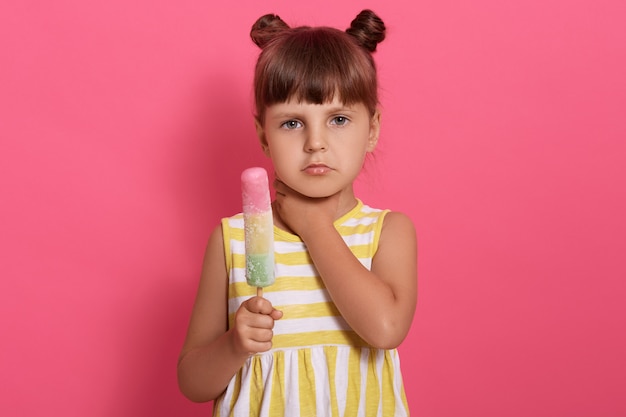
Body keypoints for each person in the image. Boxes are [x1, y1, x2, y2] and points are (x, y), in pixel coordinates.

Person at [178, 9, 417, 416]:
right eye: (292, 124)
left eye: (338, 119)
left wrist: (313, 225)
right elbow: (192, 380)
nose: (315, 143)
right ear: (264, 136)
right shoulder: (232, 240)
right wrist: (234, 345)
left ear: (372, 128)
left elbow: (385, 328)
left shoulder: (387, 232)